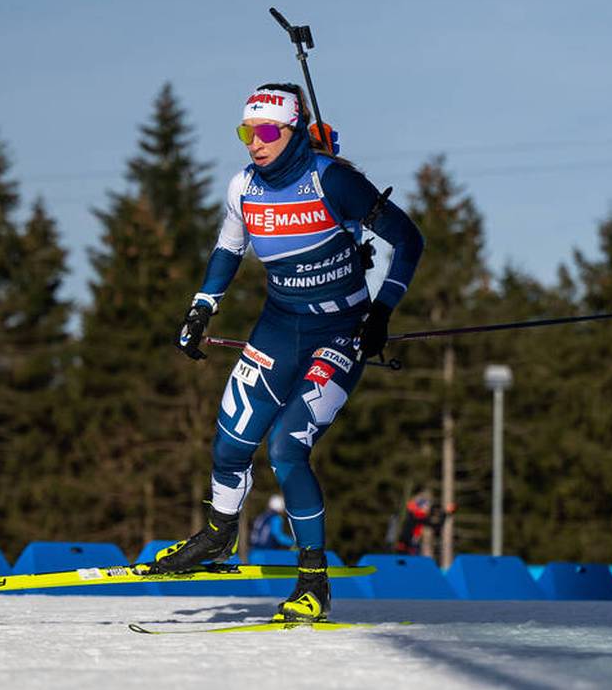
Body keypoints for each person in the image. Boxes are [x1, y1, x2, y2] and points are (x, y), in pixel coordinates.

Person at [148, 82, 424, 622]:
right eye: (246, 132)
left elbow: (407, 240)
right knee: (230, 444)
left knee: (285, 449)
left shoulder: (334, 180)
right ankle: (218, 536)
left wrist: (382, 312)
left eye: (267, 131)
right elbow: (229, 247)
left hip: (340, 331)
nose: (255, 142)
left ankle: (313, 580)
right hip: (278, 328)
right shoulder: (243, 188)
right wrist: (201, 308)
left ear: (294, 131)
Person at [393, 489, 455, 556]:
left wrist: (446, 513)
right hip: (405, 544)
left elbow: (436, 525)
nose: (426, 509)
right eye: (424, 506)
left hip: (411, 545)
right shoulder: (414, 515)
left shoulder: (422, 517)